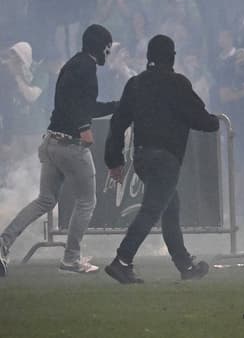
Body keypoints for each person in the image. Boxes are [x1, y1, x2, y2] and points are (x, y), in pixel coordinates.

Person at [0, 25, 117, 277]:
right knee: (87, 201)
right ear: (101, 46)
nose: (109, 52)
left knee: (45, 200)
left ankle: (3, 243)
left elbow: (81, 104)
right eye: (108, 47)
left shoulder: (74, 63)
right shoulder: (87, 67)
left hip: (51, 142)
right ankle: (71, 258)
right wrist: (84, 127)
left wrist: (117, 106)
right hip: (70, 145)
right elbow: (75, 104)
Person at [104, 35, 220, 284]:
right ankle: (121, 261)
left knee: (169, 208)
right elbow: (199, 117)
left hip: (142, 158)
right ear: (172, 57)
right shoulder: (177, 84)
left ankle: (186, 266)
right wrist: (214, 122)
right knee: (151, 210)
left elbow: (118, 123)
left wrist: (114, 160)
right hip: (166, 159)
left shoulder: (135, 84)